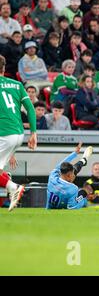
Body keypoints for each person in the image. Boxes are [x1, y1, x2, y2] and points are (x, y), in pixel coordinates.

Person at [0, 55, 37, 211]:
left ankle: (13, 187)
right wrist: (33, 133)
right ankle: (9, 187)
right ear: (3, 68)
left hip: (4, 133)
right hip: (18, 133)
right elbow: (30, 108)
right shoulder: (16, 84)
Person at [46, 143, 99, 209]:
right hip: (70, 206)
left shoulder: (52, 176)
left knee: (76, 171)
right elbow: (73, 207)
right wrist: (84, 197)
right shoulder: (72, 189)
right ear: (69, 175)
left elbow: (61, 165)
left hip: (50, 207)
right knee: (89, 188)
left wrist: (75, 153)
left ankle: (84, 159)